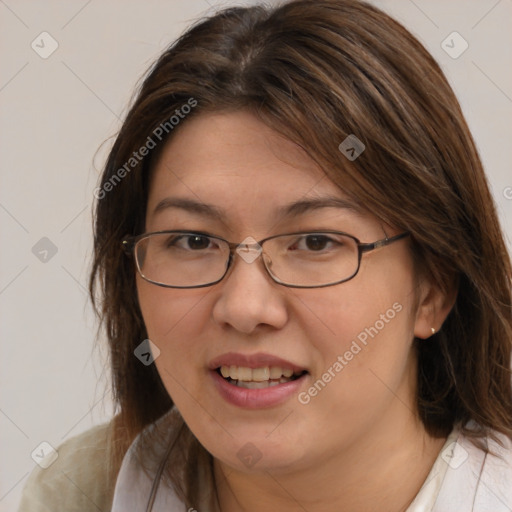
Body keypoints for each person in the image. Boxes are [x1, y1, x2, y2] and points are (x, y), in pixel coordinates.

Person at [18, 0, 512, 511]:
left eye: (316, 242)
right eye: (193, 241)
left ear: (433, 287)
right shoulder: (76, 494)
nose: (245, 307)